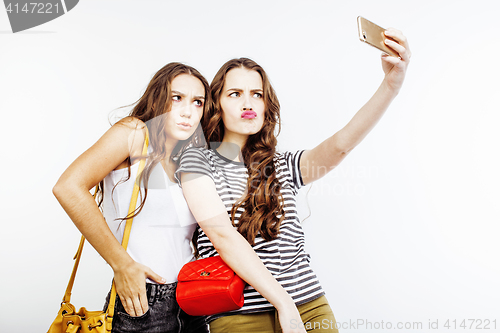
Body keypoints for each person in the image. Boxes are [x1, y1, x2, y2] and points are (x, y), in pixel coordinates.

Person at [175, 29, 410, 333]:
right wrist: (282, 303)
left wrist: (391, 85)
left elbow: (341, 145)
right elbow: (222, 236)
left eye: (257, 94)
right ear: (216, 103)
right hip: (239, 312)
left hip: (309, 304)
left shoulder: (283, 164)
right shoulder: (196, 160)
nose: (248, 103)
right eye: (235, 94)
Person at [52, 62, 210, 333]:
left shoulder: (188, 159)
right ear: (159, 97)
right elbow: (68, 187)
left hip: (192, 300)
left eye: (198, 102)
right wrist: (121, 264)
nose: (188, 112)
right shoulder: (135, 133)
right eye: (177, 98)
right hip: (144, 302)